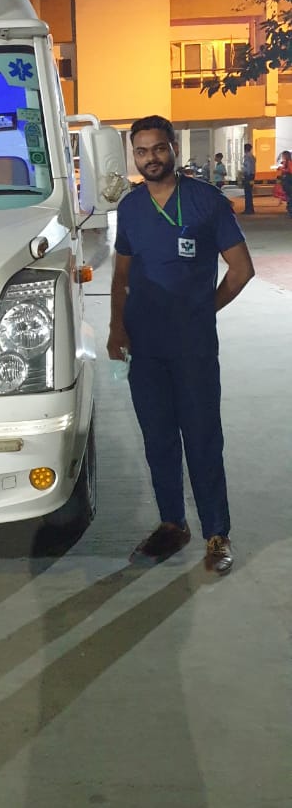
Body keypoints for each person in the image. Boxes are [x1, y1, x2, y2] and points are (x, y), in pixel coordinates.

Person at [108, 115, 254, 575]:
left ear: (173, 148)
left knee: (202, 437)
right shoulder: (130, 208)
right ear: (134, 155)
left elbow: (241, 269)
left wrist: (202, 309)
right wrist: (117, 327)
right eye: (141, 151)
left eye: (158, 148)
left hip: (192, 347)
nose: (150, 158)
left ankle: (217, 534)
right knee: (158, 439)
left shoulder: (205, 202)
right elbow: (122, 274)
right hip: (145, 349)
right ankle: (173, 524)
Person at [241, 141, 256, 214]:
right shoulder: (252, 156)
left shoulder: (247, 156)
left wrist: (245, 174)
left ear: (245, 149)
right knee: (249, 192)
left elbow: (248, 167)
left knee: (247, 193)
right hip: (252, 175)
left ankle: (248, 209)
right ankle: (250, 209)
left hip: (248, 175)